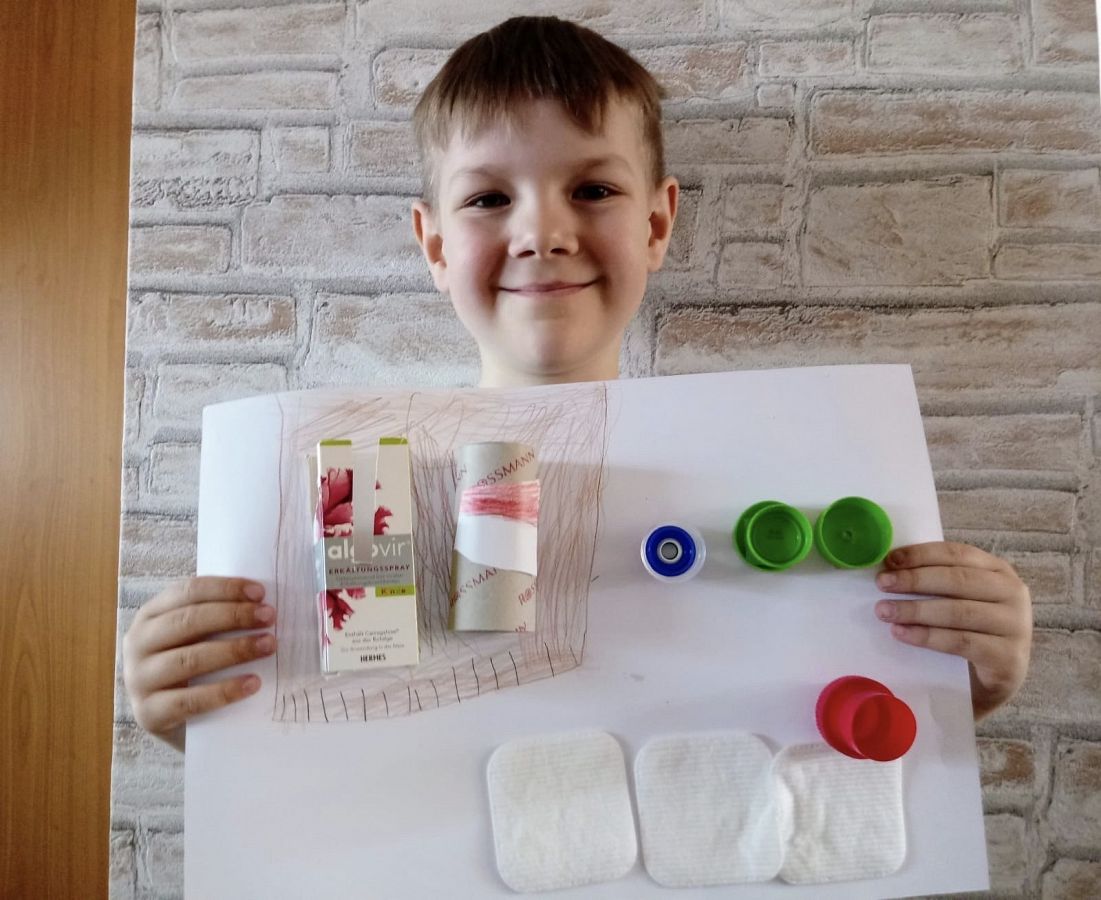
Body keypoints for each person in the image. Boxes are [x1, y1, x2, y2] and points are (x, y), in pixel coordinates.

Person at [122, 16, 1032, 753]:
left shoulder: (761, 465)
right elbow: (324, 764)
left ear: (656, 224)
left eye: (592, 189)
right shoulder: (354, 490)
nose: (542, 234)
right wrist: (201, 720)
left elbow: (826, 717)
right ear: (434, 244)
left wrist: (955, 686)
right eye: (488, 198)